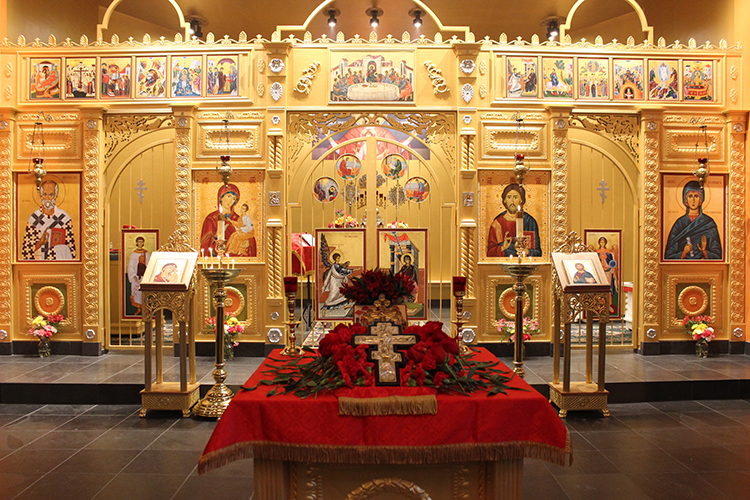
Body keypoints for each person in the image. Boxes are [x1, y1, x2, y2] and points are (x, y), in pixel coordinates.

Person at [664, 181, 722, 260]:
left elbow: (717, 254)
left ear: (701, 200)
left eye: (697, 196)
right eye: (690, 196)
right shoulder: (679, 223)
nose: (693, 200)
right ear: (686, 200)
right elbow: (669, 255)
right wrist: (683, 253)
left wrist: (705, 252)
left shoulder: (709, 223)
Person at [21, 180, 76, 260]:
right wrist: (40, 243)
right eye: (45, 194)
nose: (47, 198)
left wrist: (57, 248)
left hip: (58, 267)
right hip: (39, 268)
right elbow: (26, 250)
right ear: (41, 195)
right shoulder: (34, 219)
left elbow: (71, 250)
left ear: (56, 195)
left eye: (51, 195)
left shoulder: (64, 219)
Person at [487, 183, 542, 257]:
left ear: (521, 200)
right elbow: (490, 253)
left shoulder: (529, 221)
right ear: (505, 200)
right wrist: (503, 248)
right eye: (509, 197)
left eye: (515, 197)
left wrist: (527, 251)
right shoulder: (498, 223)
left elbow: (538, 252)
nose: (512, 201)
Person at [200, 183, 242, 256]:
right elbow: (205, 243)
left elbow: (249, 237)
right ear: (221, 197)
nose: (230, 201)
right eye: (228, 196)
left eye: (233, 198)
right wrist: (216, 236)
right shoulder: (211, 218)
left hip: (234, 257)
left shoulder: (238, 219)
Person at [127, 236, 150, 314]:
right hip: (136, 276)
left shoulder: (146, 253)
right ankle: (138, 309)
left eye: (141, 242)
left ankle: (145, 309)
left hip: (144, 276)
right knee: (137, 293)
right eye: (139, 242)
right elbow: (130, 266)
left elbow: (149, 264)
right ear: (136, 243)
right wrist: (133, 275)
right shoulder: (134, 254)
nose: (140, 243)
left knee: (143, 292)